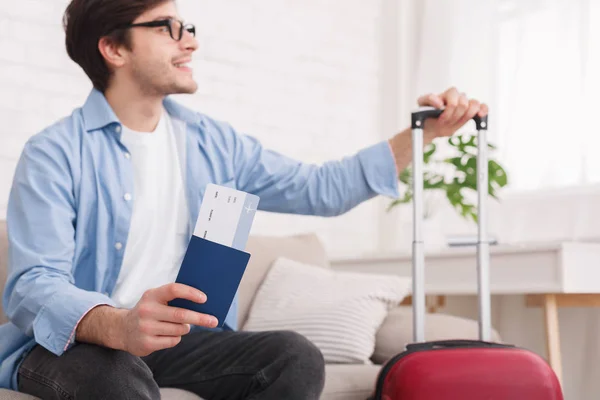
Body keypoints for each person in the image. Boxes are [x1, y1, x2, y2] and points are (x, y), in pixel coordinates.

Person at [0, 0, 488, 399]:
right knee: (113, 377)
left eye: (186, 26)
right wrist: (118, 326)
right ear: (113, 48)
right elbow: (32, 283)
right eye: (167, 27)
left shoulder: (216, 144)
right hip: (81, 343)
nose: (189, 40)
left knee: (293, 356)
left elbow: (322, 188)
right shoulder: (55, 152)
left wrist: (421, 134)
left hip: (181, 341)